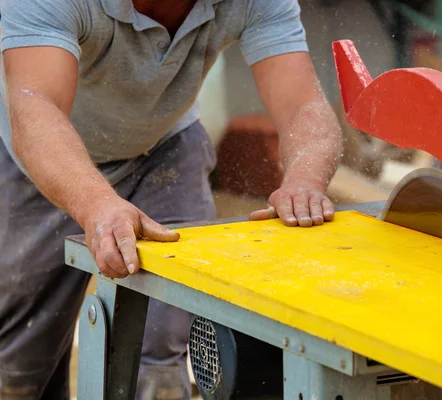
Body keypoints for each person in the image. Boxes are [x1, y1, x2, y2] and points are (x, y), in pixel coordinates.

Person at [0, 0, 344, 398]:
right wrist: (96, 203)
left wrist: (305, 180)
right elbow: (37, 109)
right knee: (20, 362)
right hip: (44, 160)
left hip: (164, 148)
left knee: (163, 340)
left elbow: (303, 106)